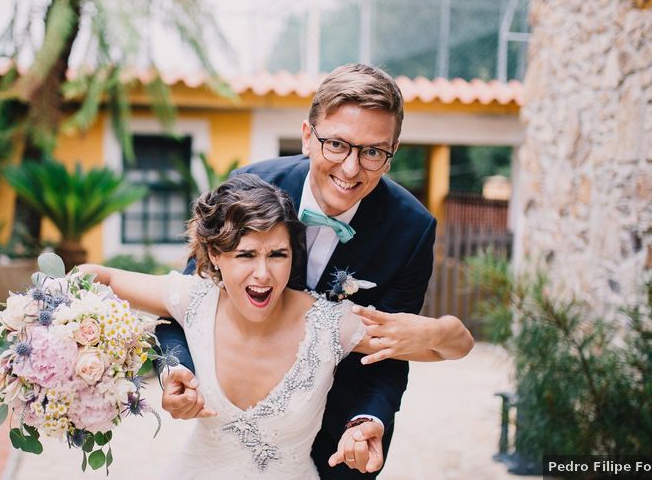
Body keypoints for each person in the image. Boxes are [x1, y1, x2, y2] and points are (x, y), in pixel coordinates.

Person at [157, 63, 474, 478]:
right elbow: (185, 303)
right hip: (229, 418)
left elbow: (389, 351)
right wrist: (175, 369)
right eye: (337, 144)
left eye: (373, 152)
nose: (350, 169)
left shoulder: (411, 230)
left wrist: (367, 421)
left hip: (340, 440)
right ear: (308, 136)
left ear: (392, 153)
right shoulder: (251, 184)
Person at [80, 174, 467, 479]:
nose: (263, 274)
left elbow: (454, 347)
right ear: (215, 254)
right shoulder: (193, 298)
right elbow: (97, 277)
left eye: (278, 255)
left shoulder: (328, 326)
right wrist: (60, 317)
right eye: (245, 254)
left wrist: (435, 331)